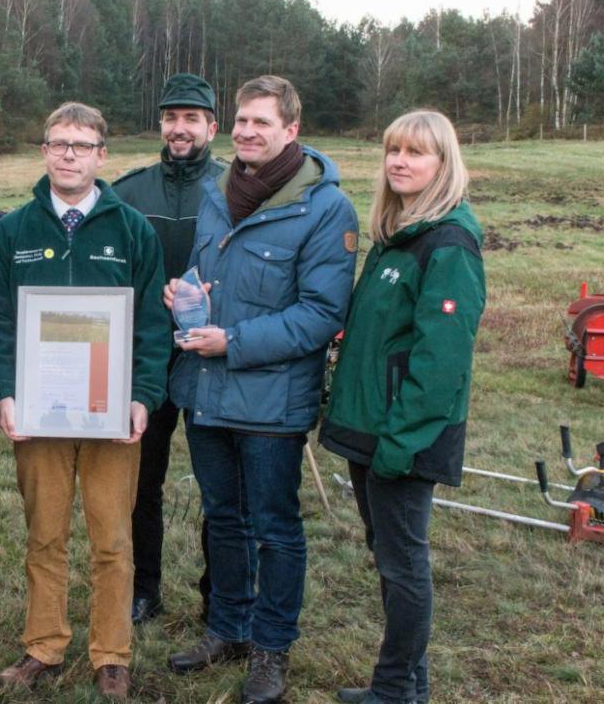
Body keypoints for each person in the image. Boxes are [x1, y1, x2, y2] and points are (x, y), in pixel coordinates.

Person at [164, 75, 358, 703]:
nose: (248, 132)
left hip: (271, 402)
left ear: (292, 131)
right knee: (223, 518)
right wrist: (185, 297)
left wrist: (234, 343)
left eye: (262, 124)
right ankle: (228, 627)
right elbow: (215, 276)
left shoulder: (326, 208)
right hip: (207, 393)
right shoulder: (220, 192)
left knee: (275, 526)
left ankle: (271, 648)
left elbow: (321, 313)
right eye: (242, 121)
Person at [0, 102, 170, 701]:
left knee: (113, 538)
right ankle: (44, 645)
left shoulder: (132, 229)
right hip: (40, 415)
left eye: (81, 146)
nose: (68, 155)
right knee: (45, 535)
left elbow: (152, 328)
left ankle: (112, 653)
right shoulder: (13, 230)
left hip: (110, 415)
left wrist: (142, 396)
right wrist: (4, 394)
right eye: (58, 144)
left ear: (101, 155)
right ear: (43, 152)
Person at [319, 110, 485, 704]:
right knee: (388, 556)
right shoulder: (399, 238)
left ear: (443, 164)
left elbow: (441, 364)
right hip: (372, 429)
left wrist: (401, 440)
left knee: (403, 564)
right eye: (393, 150)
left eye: (416, 153)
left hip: (402, 437)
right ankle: (409, 685)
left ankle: (394, 688)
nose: (400, 162)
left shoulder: (449, 245)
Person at [111, 72, 224, 626]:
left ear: (212, 126)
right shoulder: (129, 191)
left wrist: (215, 300)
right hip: (148, 357)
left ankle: (217, 596)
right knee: (142, 482)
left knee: (219, 485)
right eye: (171, 118)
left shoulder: (234, 191)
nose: (179, 129)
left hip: (213, 359)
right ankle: (143, 590)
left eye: (191, 119)